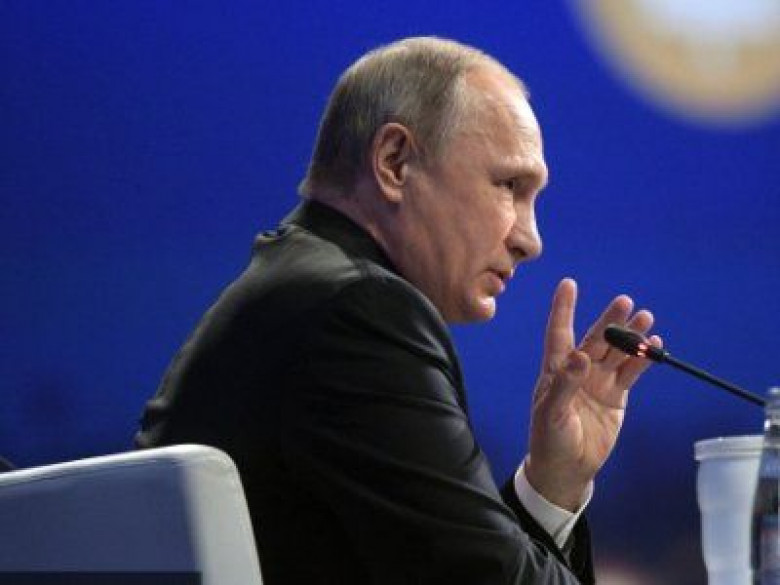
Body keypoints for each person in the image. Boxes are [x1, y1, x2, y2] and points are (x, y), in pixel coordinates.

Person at [135, 37, 659, 584]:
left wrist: (554, 483)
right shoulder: (357, 314)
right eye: (509, 185)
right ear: (394, 162)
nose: (531, 240)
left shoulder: (299, 290)